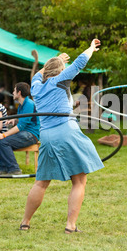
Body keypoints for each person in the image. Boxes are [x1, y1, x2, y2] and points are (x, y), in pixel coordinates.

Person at [19, 39, 103, 233]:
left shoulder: (36, 88)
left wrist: (53, 61)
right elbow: (79, 63)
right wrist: (91, 48)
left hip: (46, 136)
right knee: (79, 180)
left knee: (41, 182)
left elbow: (38, 75)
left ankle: (25, 222)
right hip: (66, 130)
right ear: (59, 71)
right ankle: (70, 226)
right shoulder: (59, 80)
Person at [0, 82, 40, 175]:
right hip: (25, 132)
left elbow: (21, 126)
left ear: (19, 92)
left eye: (14, 90)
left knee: (3, 141)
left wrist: (4, 134)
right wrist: (14, 120)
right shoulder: (21, 104)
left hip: (32, 135)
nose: (13, 92)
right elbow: (23, 121)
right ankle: (2, 168)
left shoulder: (29, 104)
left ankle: (14, 169)